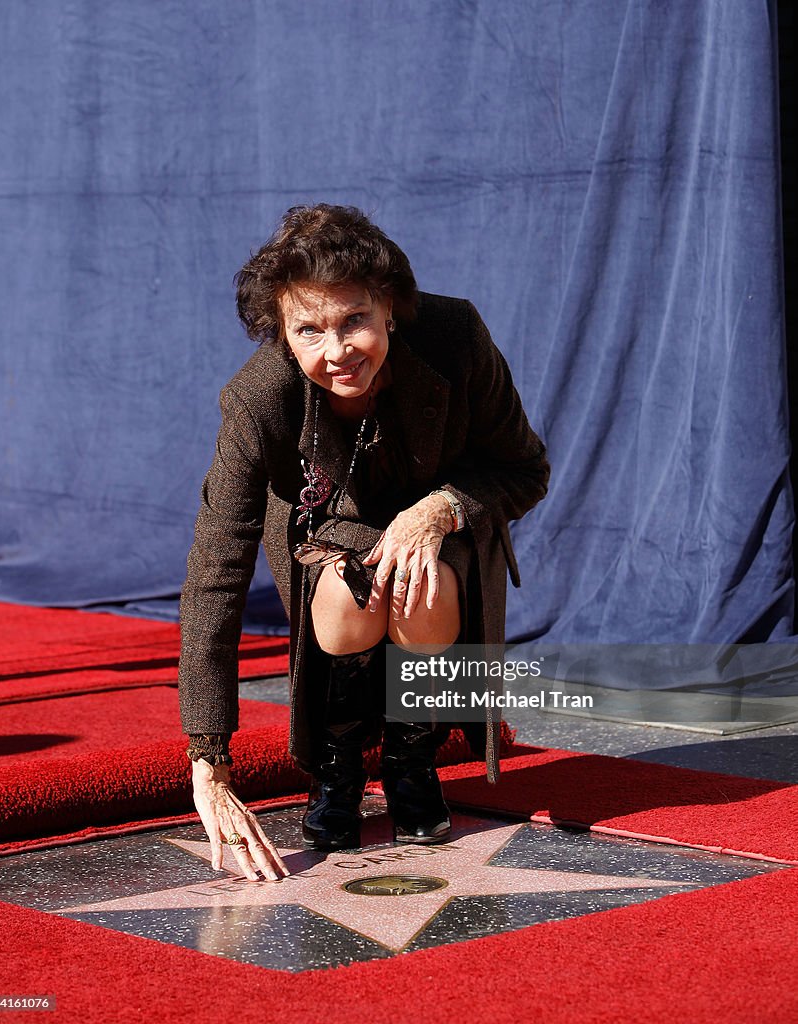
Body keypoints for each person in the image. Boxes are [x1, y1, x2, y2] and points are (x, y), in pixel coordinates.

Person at [178, 204, 549, 881]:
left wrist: (442, 509)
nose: (336, 350)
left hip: (441, 535)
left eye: (353, 320)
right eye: (308, 329)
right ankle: (336, 769)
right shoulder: (257, 400)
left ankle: (414, 759)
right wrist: (210, 760)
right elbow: (216, 569)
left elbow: (525, 467)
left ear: (389, 308)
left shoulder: (455, 337)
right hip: (326, 545)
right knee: (354, 589)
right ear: (283, 334)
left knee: (421, 578)